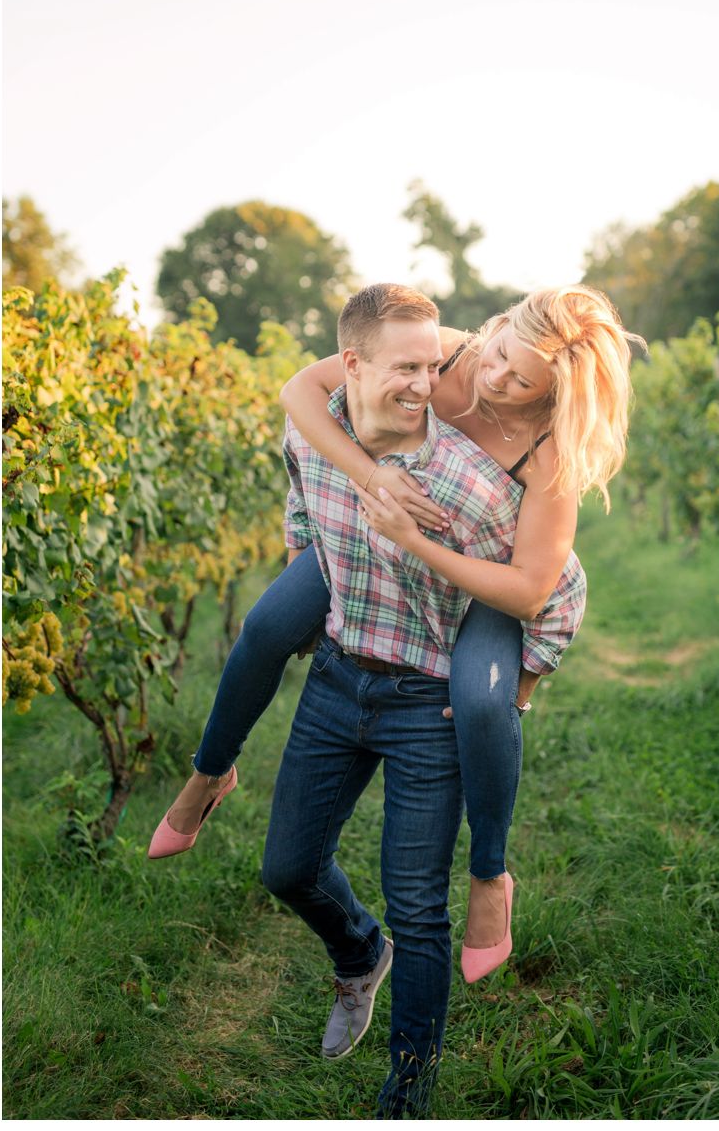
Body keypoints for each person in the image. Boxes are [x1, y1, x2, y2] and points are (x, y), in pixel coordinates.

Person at [150, 284, 632, 989]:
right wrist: (372, 479)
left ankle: (490, 876)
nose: (495, 378)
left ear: (554, 391)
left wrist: (416, 538)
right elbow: (302, 393)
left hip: (485, 580)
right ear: (494, 329)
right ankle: (209, 773)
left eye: (521, 380)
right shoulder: (439, 353)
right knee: (266, 627)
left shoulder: (549, 448)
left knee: (478, 701)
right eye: (498, 356)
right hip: (378, 537)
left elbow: (529, 587)